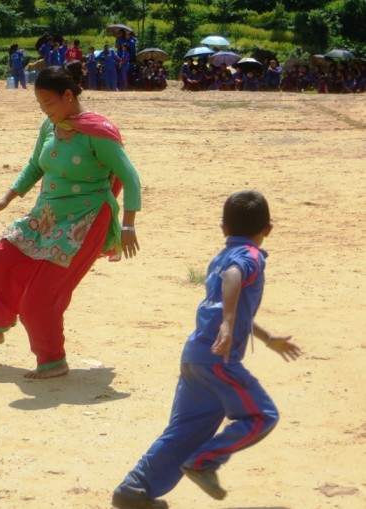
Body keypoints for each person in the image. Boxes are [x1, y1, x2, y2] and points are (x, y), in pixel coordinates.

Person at [111, 190, 301, 509]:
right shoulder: (247, 258)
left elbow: (232, 297)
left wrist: (267, 339)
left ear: (223, 228)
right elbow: (234, 278)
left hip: (196, 356)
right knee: (261, 415)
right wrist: (227, 324)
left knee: (185, 430)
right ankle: (204, 462)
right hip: (218, 361)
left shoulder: (220, 257)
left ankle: (134, 489)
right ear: (268, 228)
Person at [0, 63, 141, 379]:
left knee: (39, 298)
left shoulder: (97, 133)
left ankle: (52, 360)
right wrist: (7, 197)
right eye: (41, 105)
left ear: (68, 95)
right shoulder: (50, 125)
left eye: (49, 103)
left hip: (85, 221)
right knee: (1, 259)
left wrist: (127, 225)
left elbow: (131, 178)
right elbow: (35, 165)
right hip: (47, 215)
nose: (45, 110)